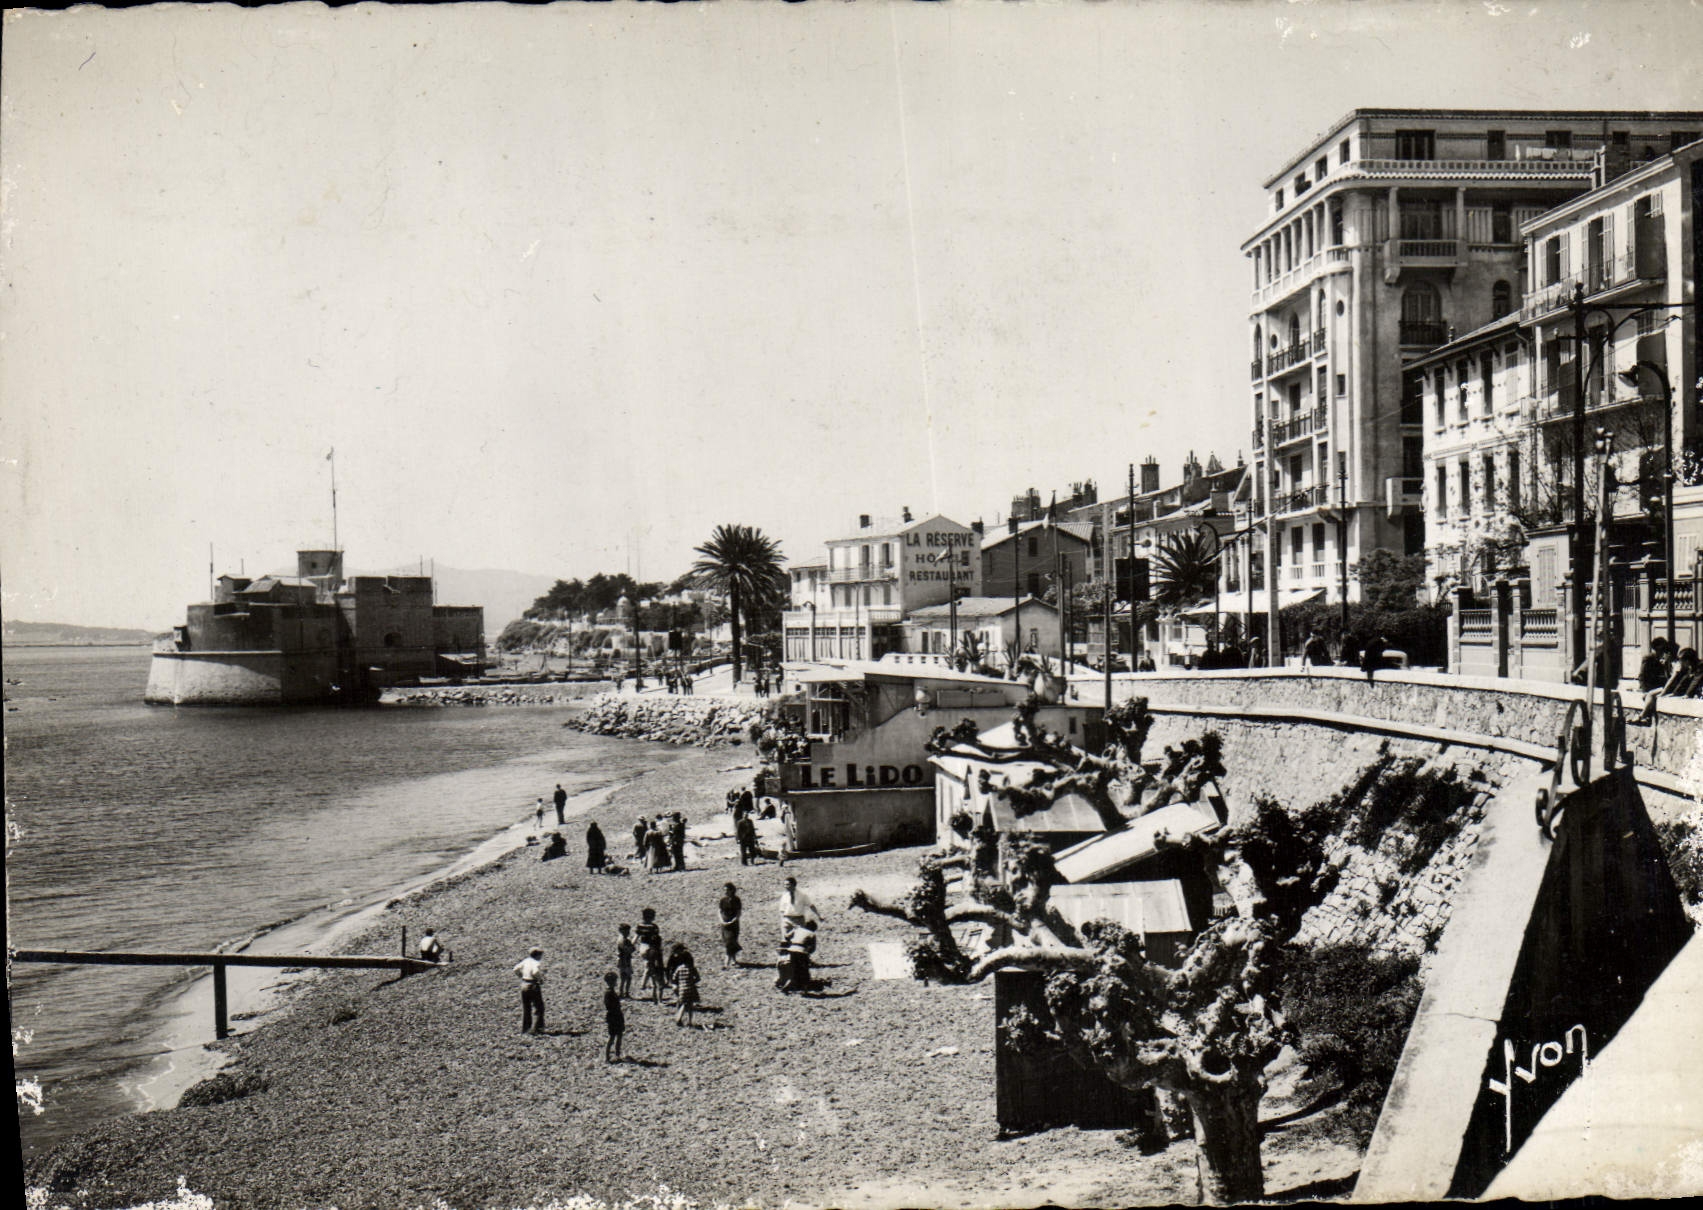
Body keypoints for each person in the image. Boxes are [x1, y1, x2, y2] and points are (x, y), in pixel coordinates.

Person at [514, 947, 546, 1035]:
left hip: (524, 984)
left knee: (526, 1007)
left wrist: (521, 976)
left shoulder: (526, 961)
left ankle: (526, 1029)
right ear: (537, 955)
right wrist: (540, 979)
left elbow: (515, 969)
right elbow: (535, 972)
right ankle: (537, 1029)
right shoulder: (536, 962)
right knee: (539, 1008)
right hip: (532, 985)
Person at [671, 946, 701, 1028]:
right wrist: (692, 982)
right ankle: (689, 1021)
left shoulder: (679, 968)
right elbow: (698, 978)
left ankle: (679, 1018)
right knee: (690, 1005)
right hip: (691, 989)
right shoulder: (692, 968)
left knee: (683, 1004)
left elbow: (674, 978)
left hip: (682, 989)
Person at [719, 883, 743, 969]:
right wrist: (722, 920)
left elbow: (738, 912)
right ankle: (734, 961)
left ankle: (726, 962)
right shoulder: (723, 900)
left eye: (727, 890)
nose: (725, 892)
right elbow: (720, 911)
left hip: (733, 924)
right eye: (724, 890)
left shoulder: (736, 900)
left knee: (731, 941)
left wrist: (733, 921)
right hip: (724, 924)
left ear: (732, 890)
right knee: (728, 943)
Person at [603, 972, 625, 1062]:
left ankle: (616, 1054)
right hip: (613, 1016)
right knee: (613, 1037)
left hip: (616, 1015)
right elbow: (609, 1005)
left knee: (618, 1035)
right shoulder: (609, 993)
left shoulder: (611, 992)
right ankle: (608, 1057)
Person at [615, 924, 635, 998]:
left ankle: (624, 992)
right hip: (624, 960)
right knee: (625, 977)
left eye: (628, 931)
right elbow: (629, 950)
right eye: (625, 931)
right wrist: (631, 948)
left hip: (625, 960)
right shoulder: (623, 940)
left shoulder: (623, 939)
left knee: (626, 977)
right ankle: (623, 992)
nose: (627, 933)